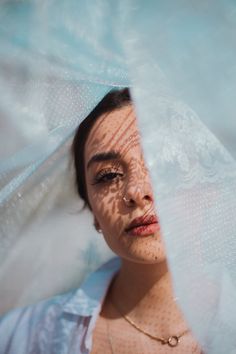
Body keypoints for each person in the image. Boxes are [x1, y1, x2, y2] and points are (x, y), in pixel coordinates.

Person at [0, 88, 202, 354]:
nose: (135, 192)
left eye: (159, 162)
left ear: (206, 182)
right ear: (92, 209)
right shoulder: (28, 336)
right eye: (108, 176)